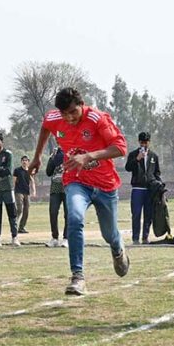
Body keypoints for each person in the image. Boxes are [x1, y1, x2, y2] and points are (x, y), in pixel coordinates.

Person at [29, 87, 130, 296]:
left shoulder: (97, 118)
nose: (70, 118)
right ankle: (78, 277)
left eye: (73, 112)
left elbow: (120, 148)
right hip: (76, 181)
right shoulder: (55, 117)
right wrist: (38, 156)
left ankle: (118, 248)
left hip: (105, 185)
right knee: (74, 218)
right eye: (65, 114)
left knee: (109, 234)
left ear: (81, 105)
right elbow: (45, 127)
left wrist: (89, 156)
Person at [124, 132, 161, 244]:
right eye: (142, 142)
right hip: (137, 189)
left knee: (148, 214)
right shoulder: (133, 154)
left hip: (150, 189)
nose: (144, 144)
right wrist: (137, 159)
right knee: (136, 214)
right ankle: (135, 238)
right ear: (139, 142)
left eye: (146, 142)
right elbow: (128, 168)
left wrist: (159, 186)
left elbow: (157, 172)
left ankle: (145, 237)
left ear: (149, 142)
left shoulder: (154, 156)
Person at [46, 146, 68, 248]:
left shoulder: (71, 151)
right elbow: (48, 172)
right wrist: (52, 159)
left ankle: (66, 238)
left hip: (68, 188)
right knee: (53, 212)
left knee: (68, 214)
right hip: (55, 188)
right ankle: (54, 238)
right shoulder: (54, 155)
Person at [13, 155, 36, 234]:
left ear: (28, 162)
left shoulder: (29, 171)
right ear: (21, 161)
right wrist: (13, 190)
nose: (24, 161)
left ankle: (21, 227)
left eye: (26, 160)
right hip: (19, 191)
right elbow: (14, 181)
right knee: (19, 209)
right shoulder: (17, 170)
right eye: (23, 160)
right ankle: (14, 226)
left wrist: (34, 191)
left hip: (27, 192)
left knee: (26, 210)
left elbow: (32, 181)